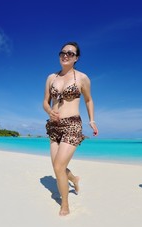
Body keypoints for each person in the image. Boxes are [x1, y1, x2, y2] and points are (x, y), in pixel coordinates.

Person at [43, 42, 98, 216]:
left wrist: (92, 120)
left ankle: (64, 204)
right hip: (54, 126)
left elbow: (89, 100)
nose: (65, 55)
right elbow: (45, 101)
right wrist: (49, 111)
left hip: (72, 124)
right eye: (63, 52)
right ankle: (74, 178)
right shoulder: (51, 77)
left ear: (76, 58)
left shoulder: (82, 78)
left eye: (70, 53)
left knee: (59, 166)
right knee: (57, 166)